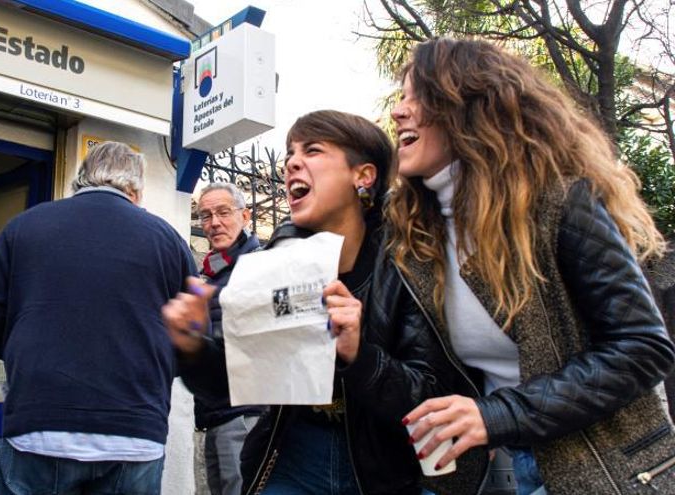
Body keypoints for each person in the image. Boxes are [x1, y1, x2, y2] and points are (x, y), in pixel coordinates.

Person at [390, 38, 675, 495]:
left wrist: (496, 415)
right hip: (516, 461)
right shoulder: (421, 233)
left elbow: (643, 347)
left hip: (608, 468)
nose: (399, 112)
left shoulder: (560, 203)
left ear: (468, 102)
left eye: (415, 96)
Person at [164, 110, 482, 495]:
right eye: (289, 154)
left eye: (312, 150)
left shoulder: (410, 263)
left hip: (386, 470)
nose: (292, 162)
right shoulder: (279, 257)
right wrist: (192, 346)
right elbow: (238, 383)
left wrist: (358, 354)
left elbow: (431, 397)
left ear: (363, 176)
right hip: (293, 458)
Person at [0, 141, 195, 495]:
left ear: (81, 179)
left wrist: (22, 355)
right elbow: (191, 331)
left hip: (38, 428)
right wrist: (155, 366)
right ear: (135, 189)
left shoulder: (24, 228)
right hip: (134, 434)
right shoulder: (168, 240)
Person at [189, 183, 265, 495]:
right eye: (205, 216)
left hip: (245, 414)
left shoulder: (259, 266)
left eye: (223, 212)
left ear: (245, 215)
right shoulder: (215, 272)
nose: (214, 223)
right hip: (217, 413)